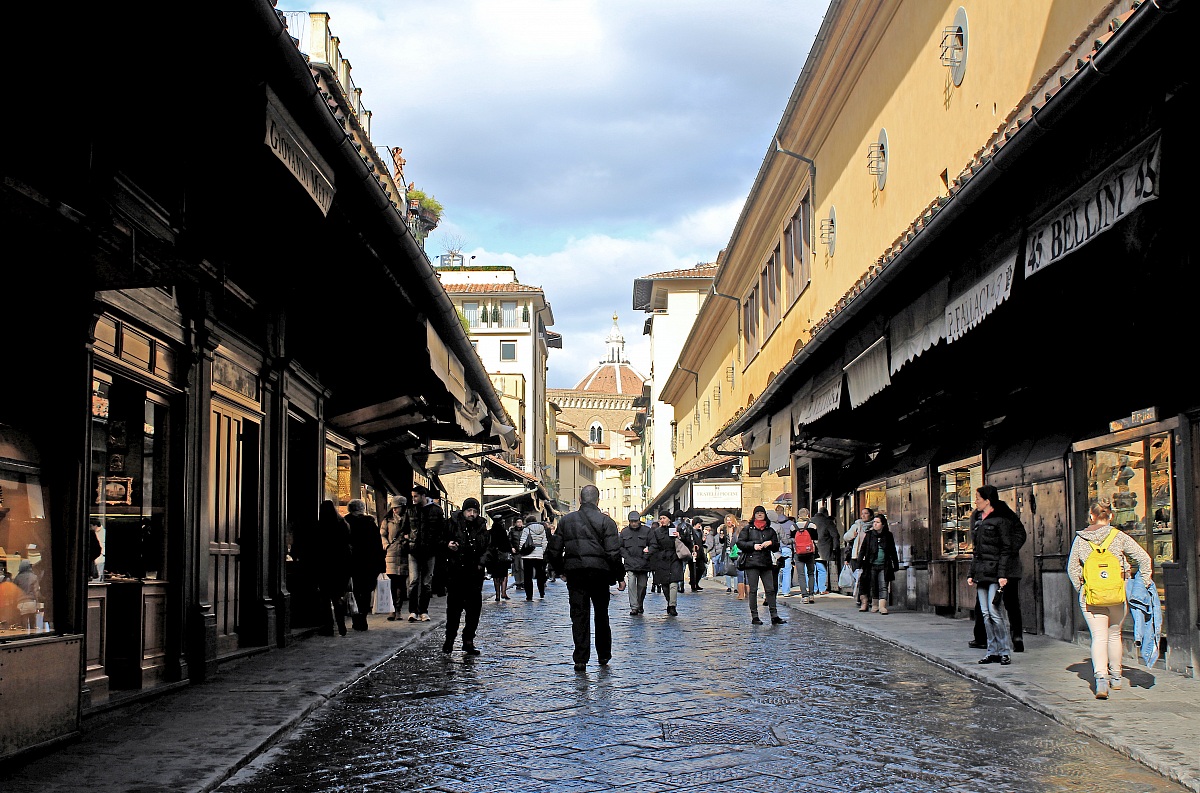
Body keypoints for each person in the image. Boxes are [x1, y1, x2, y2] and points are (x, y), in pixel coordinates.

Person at [1067, 499, 1153, 699]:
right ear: (1111, 516)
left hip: (1091, 595)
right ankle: (1116, 677)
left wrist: (1083, 588)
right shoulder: (1119, 537)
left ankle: (1101, 681)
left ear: (1091, 516)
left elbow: (1072, 569)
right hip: (1117, 593)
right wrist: (1145, 581)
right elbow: (1144, 559)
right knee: (1115, 635)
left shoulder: (1081, 539)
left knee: (1099, 637)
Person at [546, 484, 624, 670]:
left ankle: (580, 658)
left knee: (579, 615)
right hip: (599, 573)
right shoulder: (607, 522)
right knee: (601, 615)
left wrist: (561, 571)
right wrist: (620, 576)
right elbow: (614, 553)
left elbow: (554, 550)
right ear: (598, 500)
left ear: (580, 500)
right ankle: (604, 655)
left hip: (576, 573)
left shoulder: (566, 521)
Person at [967, 485, 1016, 664]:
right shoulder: (979, 520)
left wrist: (1002, 574)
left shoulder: (1000, 521)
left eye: (978, 498)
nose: (975, 501)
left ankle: (1004, 651)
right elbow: (976, 551)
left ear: (987, 500)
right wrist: (971, 573)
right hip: (981, 573)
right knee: (986, 614)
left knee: (995, 613)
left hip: (995, 573)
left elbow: (1006, 549)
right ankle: (992, 650)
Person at [970, 504, 1028, 652]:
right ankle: (1017, 638)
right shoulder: (1007, 515)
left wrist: (1005, 550)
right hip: (1007, 568)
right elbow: (1021, 534)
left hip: (993, 570)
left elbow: (978, 545)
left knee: (985, 606)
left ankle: (982, 638)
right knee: (1012, 604)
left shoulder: (984, 516)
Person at [442, 497, 490, 656]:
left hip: (474, 574)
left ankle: (468, 641)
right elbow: (440, 540)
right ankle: (449, 641)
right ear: (464, 511)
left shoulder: (481, 526)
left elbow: (487, 548)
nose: (472, 514)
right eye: (469, 511)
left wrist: (481, 563)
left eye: (475, 511)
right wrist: (448, 545)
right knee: (454, 610)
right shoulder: (452, 524)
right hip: (456, 572)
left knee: (474, 611)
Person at [735, 505, 786, 625]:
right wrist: (753, 545)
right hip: (752, 562)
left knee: (770, 590)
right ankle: (755, 616)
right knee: (753, 590)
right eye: (757, 513)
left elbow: (776, 545)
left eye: (761, 513)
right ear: (754, 515)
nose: (759, 514)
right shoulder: (748, 529)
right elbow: (740, 543)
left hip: (766, 562)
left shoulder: (770, 530)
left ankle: (774, 615)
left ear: (764, 515)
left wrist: (771, 543)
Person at [405, 484, 444, 622]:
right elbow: (405, 528)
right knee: (414, 581)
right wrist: (407, 539)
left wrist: (437, 544)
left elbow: (441, 530)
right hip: (414, 550)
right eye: (412, 496)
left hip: (430, 551)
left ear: (423, 496)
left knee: (426, 583)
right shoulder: (410, 510)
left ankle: (423, 611)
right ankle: (413, 611)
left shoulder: (436, 511)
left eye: (415, 496)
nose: (413, 499)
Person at [345, 499, 384, 632]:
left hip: (352, 563)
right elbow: (377, 546)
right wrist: (380, 565)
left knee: (355, 591)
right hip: (369, 563)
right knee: (366, 591)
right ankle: (363, 617)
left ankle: (357, 618)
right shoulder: (370, 524)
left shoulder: (346, 523)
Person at [314, 499, 351, 636]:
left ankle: (329, 627)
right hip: (340, 566)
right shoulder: (343, 524)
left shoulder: (320, 526)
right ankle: (342, 626)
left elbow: (317, 549)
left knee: (325, 599)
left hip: (325, 567)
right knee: (337, 597)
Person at [856, 514, 899, 614]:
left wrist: (895, 564)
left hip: (884, 565)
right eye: (874, 522)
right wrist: (859, 564)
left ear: (883, 524)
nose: (875, 524)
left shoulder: (888, 535)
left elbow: (893, 551)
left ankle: (882, 606)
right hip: (871, 564)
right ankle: (874, 605)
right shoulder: (869, 535)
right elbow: (862, 550)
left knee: (883, 585)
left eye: (877, 522)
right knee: (873, 585)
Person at [650, 513, 686, 615]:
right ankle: (669, 602)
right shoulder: (656, 532)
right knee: (665, 584)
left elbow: (687, 542)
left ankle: (672, 606)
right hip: (662, 560)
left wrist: (679, 536)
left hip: (674, 558)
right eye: (660, 518)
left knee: (673, 582)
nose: (662, 520)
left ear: (669, 519)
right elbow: (654, 545)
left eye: (664, 518)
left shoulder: (676, 529)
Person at [619, 510, 653, 615]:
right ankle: (634, 607)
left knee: (642, 586)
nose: (633, 523)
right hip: (630, 563)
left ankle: (639, 603)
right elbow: (620, 547)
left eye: (635, 521)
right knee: (631, 585)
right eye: (631, 521)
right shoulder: (624, 532)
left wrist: (647, 555)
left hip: (643, 563)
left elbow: (653, 545)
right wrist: (626, 557)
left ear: (639, 521)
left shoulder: (647, 531)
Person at [379, 495, 408, 620]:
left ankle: (398, 609)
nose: (395, 510)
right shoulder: (388, 520)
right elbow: (383, 534)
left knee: (401, 584)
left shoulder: (408, 519)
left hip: (404, 553)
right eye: (394, 508)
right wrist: (386, 544)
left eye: (397, 507)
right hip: (391, 552)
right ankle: (392, 610)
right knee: (392, 583)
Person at [518, 514, 549, 600]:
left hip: (528, 555)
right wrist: (541, 551)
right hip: (539, 554)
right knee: (540, 575)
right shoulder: (542, 529)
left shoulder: (526, 529)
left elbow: (522, 541)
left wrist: (522, 551)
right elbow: (544, 542)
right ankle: (541, 592)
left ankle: (529, 595)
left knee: (528, 576)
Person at [792, 508, 820, 604]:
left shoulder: (793, 526)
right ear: (808, 515)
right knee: (811, 573)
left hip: (798, 553)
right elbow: (816, 540)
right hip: (810, 552)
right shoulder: (812, 525)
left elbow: (792, 541)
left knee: (801, 575)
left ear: (799, 515)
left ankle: (804, 596)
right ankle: (811, 594)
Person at [485, 512, 512, 602]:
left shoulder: (490, 532)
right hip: (503, 557)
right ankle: (503, 592)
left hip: (493, 557)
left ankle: (497, 595)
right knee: (504, 575)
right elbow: (507, 544)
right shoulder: (503, 532)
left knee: (496, 576)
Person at [813, 507, 840, 594]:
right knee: (822, 569)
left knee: (812, 570)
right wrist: (836, 547)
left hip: (811, 548)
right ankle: (822, 588)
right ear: (826, 513)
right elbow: (835, 535)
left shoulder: (810, 521)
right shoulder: (827, 521)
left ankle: (813, 588)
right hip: (824, 548)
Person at [771, 505, 795, 598]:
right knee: (787, 570)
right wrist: (792, 541)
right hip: (787, 548)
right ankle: (786, 591)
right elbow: (788, 538)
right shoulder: (790, 523)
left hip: (775, 550)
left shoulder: (771, 525)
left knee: (775, 571)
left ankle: (775, 590)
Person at [685, 517, 705, 591]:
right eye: (699, 524)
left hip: (700, 553)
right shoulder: (690, 531)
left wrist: (703, 541)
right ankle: (693, 585)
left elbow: (700, 542)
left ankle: (695, 582)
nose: (699, 525)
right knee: (693, 569)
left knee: (702, 568)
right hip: (693, 552)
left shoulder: (700, 532)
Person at [507, 516, 526, 592]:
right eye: (518, 522)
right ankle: (518, 582)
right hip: (516, 552)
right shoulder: (512, 531)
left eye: (520, 522)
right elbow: (509, 540)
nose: (519, 524)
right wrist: (511, 548)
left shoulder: (525, 530)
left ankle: (523, 582)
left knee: (523, 567)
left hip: (524, 552)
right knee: (516, 568)